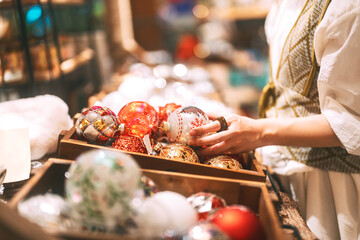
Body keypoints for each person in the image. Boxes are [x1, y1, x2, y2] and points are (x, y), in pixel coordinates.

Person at [189, 0, 360, 239]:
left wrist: (259, 132)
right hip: (284, 167)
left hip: (330, 186)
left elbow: (353, 122)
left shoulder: (347, 9)